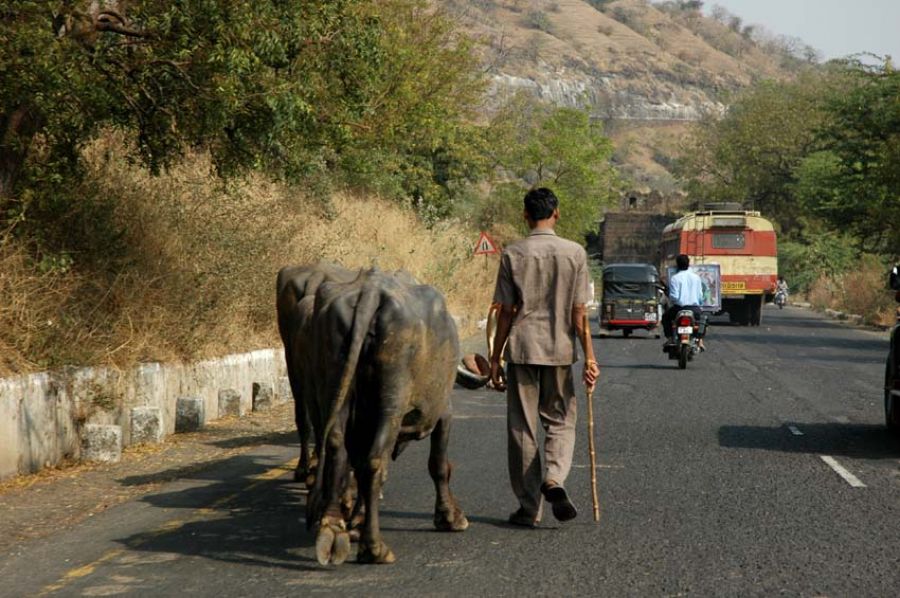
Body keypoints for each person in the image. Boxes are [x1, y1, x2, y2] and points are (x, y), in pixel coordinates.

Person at [489, 187, 600, 528]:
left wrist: (495, 358)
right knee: (561, 420)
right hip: (561, 349)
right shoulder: (575, 253)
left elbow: (505, 311)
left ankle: (528, 508)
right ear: (557, 213)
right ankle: (553, 477)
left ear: (525, 215)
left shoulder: (512, 253)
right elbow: (579, 313)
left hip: (521, 348)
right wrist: (590, 358)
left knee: (522, 428)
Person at [661, 254, 704, 345]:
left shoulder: (675, 278)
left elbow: (674, 297)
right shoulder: (696, 278)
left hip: (678, 309)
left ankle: (670, 338)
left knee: (665, 318)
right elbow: (700, 296)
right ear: (688, 264)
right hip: (694, 309)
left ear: (677, 264)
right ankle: (699, 340)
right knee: (703, 321)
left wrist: (669, 297)